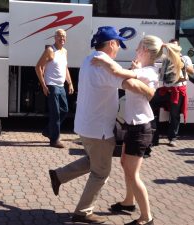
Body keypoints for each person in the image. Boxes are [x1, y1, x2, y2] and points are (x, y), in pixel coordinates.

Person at [48, 26, 155, 224]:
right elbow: (130, 84)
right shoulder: (103, 64)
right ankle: (83, 212)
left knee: (94, 160)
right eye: (118, 45)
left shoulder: (90, 59)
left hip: (87, 125)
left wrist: (133, 71)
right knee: (101, 172)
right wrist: (149, 90)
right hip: (99, 130)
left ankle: (59, 175)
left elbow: (120, 76)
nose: (119, 50)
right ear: (112, 43)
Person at [91, 35, 180, 225]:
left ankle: (146, 217)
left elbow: (117, 71)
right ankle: (129, 202)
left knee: (133, 173)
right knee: (125, 163)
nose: (135, 49)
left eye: (139, 46)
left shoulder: (148, 72)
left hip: (141, 128)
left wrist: (102, 60)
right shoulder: (145, 70)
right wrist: (136, 69)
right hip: (135, 125)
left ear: (145, 51)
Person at [150, 38, 194, 147]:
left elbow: (192, 72)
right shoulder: (166, 59)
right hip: (165, 89)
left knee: (174, 114)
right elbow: (162, 76)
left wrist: (182, 64)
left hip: (177, 90)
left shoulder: (185, 58)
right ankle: (154, 137)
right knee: (150, 106)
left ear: (178, 48)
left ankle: (172, 137)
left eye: (174, 46)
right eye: (171, 46)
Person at [35, 28, 74, 148]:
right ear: (55, 37)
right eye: (60, 36)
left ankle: (48, 131)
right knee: (55, 113)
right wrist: (44, 85)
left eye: (64, 36)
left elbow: (65, 68)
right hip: (52, 85)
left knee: (65, 110)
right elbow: (38, 67)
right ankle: (54, 140)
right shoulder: (50, 50)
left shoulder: (65, 51)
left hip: (61, 85)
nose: (62, 38)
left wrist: (70, 83)